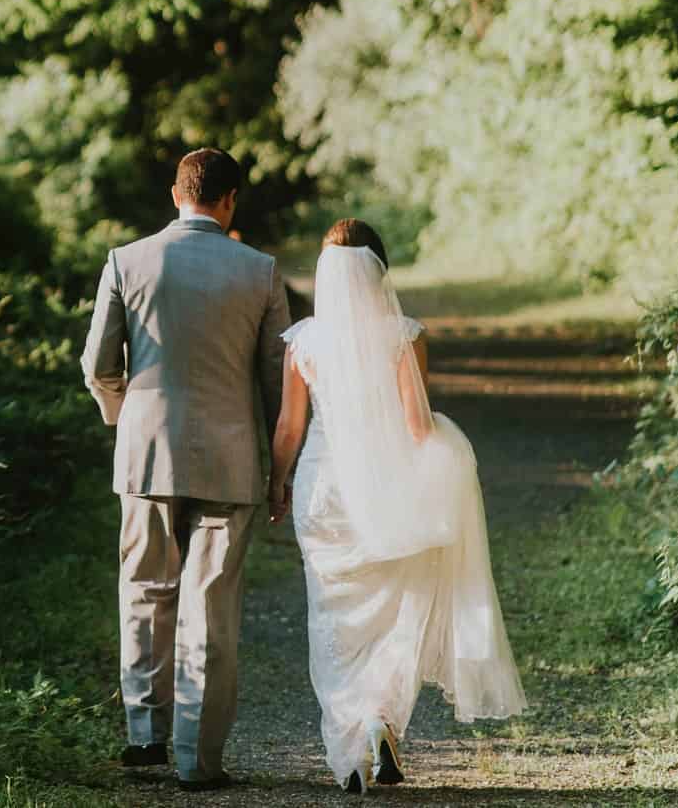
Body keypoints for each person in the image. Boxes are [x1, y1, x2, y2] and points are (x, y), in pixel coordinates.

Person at [269, 219, 527, 794]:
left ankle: (350, 746)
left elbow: (290, 426)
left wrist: (276, 483)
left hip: (324, 490)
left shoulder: (304, 341)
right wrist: (449, 453)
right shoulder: (404, 335)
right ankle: (379, 721)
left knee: (333, 615)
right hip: (388, 488)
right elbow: (415, 425)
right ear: (380, 272)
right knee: (393, 612)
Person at [81, 148, 291, 791]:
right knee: (211, 604)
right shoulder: (260, 271)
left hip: (145, 451)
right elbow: (277, 383)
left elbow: (97, 365)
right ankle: (197, 759)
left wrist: (125, 416)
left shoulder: (126, 261)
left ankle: (145, 736)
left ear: (176, 195)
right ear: (230, 202)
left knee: (145, 589)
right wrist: (279, 469)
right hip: (231, 458)